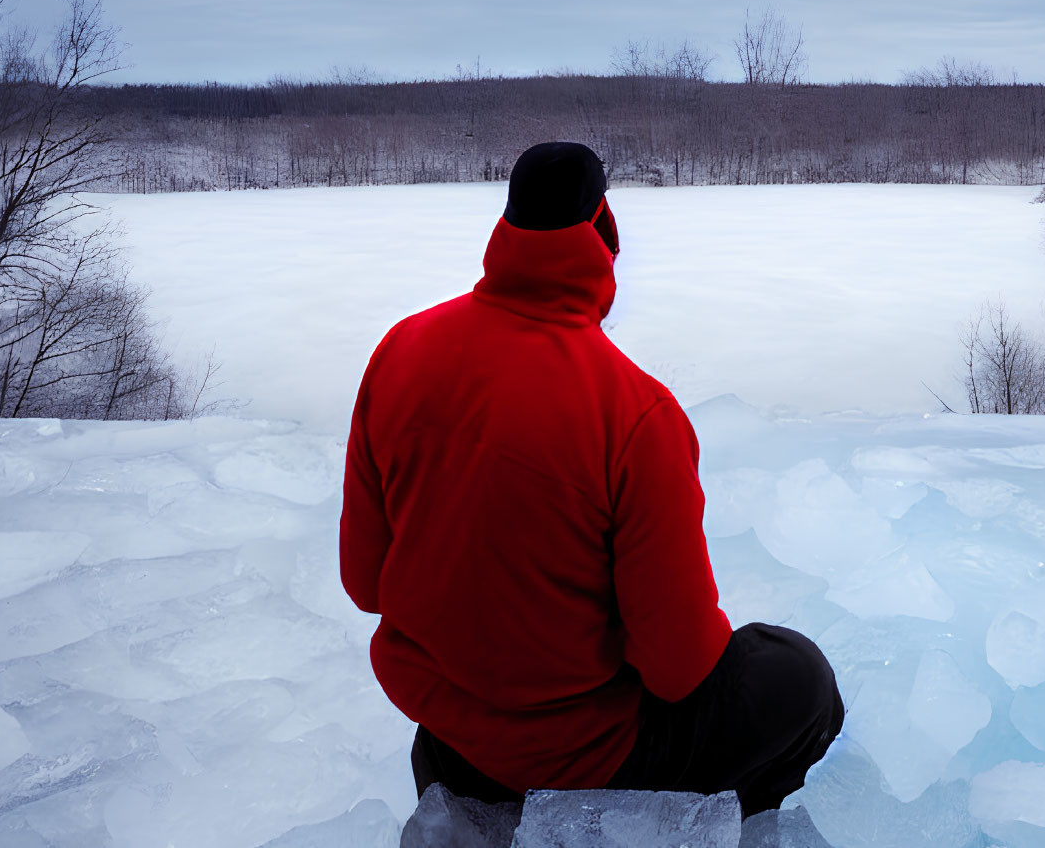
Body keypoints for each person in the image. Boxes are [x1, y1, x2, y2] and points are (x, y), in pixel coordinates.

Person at [339, 140, 843, 817]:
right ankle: (695, 826)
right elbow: (677, 668)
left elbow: (364, 582)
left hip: (450, 734)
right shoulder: (633, 412)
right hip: (581, 756)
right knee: (797, 675)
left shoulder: (400, 350)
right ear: (602, 233)